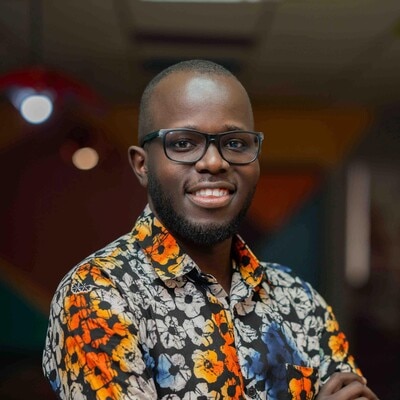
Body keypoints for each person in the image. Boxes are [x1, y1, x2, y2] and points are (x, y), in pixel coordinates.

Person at [42, 59, 378, 400]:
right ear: (142, 165)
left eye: (235, 143)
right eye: (183, 143)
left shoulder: (299, 299)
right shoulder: (97, 294)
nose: (215, 162)